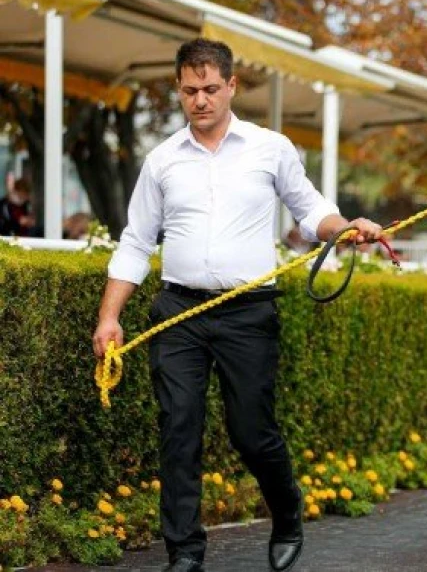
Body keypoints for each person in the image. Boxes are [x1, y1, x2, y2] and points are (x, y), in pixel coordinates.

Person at [91, 38, 383, 572]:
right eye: (188, 91)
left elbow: (310, 211)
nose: (199, 100)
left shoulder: (270, 148)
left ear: (231, 87)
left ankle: (288, 511)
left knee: (251, 431)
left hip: (248, 313)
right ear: (179, 92)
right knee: (178, 427)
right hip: (178, 312)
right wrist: (110, 316)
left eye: (209, 89)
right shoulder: (161, 161)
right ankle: (185, 551)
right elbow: (135, 241)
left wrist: (345, 230)